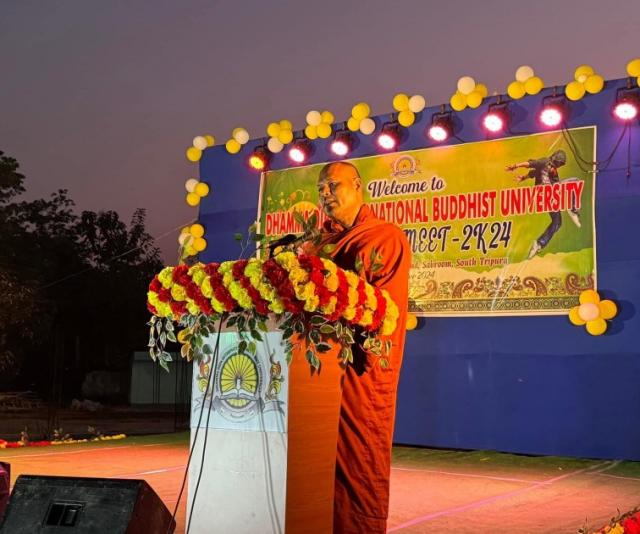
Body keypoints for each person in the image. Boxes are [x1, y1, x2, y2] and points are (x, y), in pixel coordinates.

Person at [310, 161, 411, 534]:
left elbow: (385, 312)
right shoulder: (316, 243)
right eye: (321, 189)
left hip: (359, 368)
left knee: (358, 458)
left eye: (332, 186)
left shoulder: (383, 238)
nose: (325, 195)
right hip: (313, 371)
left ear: (357, 185)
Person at [505, 149, 581, 258]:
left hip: (549, 197)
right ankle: (573, 210)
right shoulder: (545, 161)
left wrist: (523, 178)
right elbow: (531, 164)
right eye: (558, 163)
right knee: (575, 180)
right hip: (545, 193)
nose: (558, 166)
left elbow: (532, 173)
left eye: (560, 165)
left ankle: (539, 244)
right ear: (554, 159)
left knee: (557, 222)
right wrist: (516, 165)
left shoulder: (549, 170)